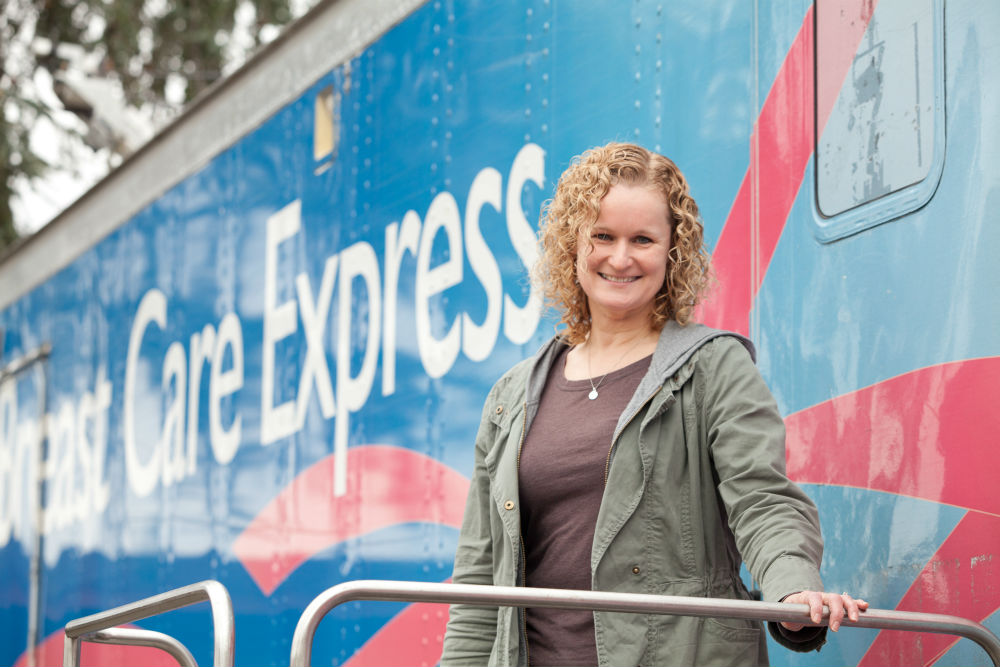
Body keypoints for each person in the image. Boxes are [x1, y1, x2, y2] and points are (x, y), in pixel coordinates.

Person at [440, 142, 866, 666]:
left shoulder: (715, 367)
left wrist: (791, 588)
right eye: (603, 236)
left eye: (642, 239)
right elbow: (481, 580)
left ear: (672, 252)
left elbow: (763, 499)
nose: (621, 258)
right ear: (571, 244)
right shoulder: (510, 397)